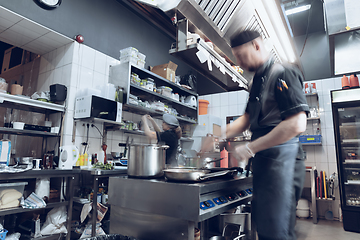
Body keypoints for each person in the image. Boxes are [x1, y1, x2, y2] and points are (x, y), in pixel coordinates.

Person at [225, 30, 309, 240]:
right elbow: (246, 119)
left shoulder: (283, 72)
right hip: (265, 164)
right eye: (235, 56)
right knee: (265, 229)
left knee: (276, 232)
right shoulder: (255, 82)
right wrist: (216, 135)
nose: (239, 61)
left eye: (241, 55)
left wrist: (250, 148)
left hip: (283, 163)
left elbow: (297, 123)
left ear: (256, 45)